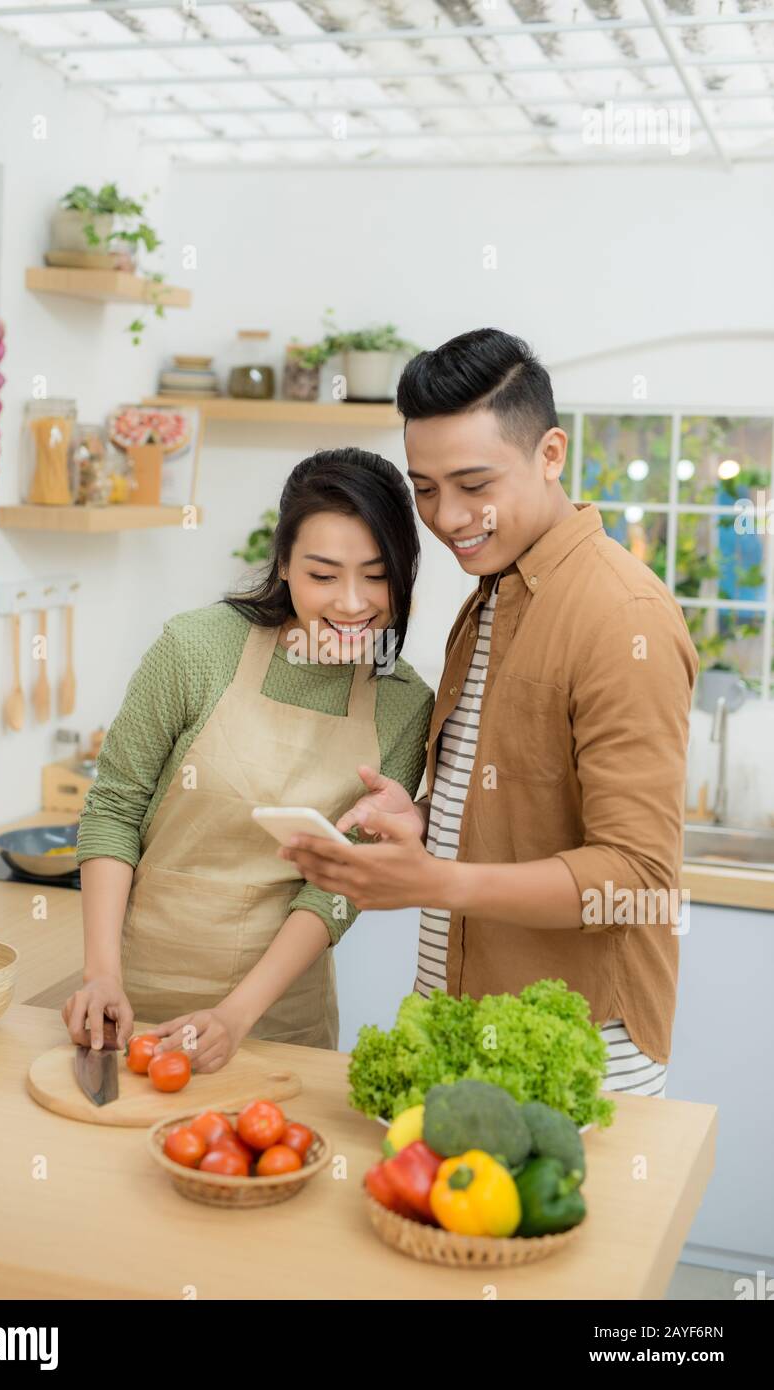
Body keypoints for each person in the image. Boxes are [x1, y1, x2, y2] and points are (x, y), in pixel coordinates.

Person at [282, 329, 699, 1098]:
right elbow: (521, 802)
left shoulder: (621, 615)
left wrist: (429, 881)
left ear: (549, 454)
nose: (447, 517)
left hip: (578, 1051)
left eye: (474, 484)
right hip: (465, 1025)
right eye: (426, 488)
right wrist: (426, 821)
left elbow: (635, 876)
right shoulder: (490, 598)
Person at [64, 447, 433, 1070]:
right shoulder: (195, 649)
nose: (351, 603)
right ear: (284, 563)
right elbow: (113, 810)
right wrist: (101, 976)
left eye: (376, 575)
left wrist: (236, 1016)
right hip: (134, 998)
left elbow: (337, 887)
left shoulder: (404, 703)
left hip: (279, 1019)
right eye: (323, 575)